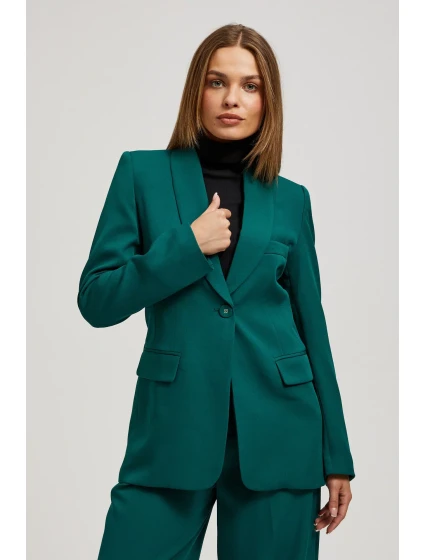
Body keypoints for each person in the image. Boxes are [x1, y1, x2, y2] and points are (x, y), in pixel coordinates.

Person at [77, 23, 355, 560]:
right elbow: (97, 299)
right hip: (171, 432)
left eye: (250, 86)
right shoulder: (141, 174)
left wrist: (336, 455)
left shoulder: (291, 199)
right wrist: (185, 246)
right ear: (196, 91)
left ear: (267, 100)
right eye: (217, 82)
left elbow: (311, 326)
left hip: (280, 432)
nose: (232, 99)